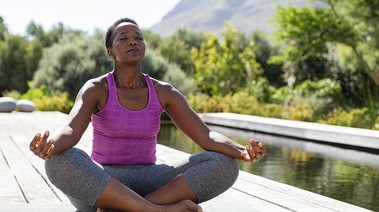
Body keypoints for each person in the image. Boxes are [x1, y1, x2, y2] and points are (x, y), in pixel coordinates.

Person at [29, 17, 266, 212]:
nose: (133, 42)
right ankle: (157, 210)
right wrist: (50, 145)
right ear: (110, 51)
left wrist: (241, 151)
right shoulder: (96, 88)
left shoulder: (164, 92)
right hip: (102, 182)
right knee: (58, 161)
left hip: (152, 180)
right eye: (124, 38)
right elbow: (70, 129)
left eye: (138, 38)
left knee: (224, 163)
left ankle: (127, 208)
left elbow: (206, 136)